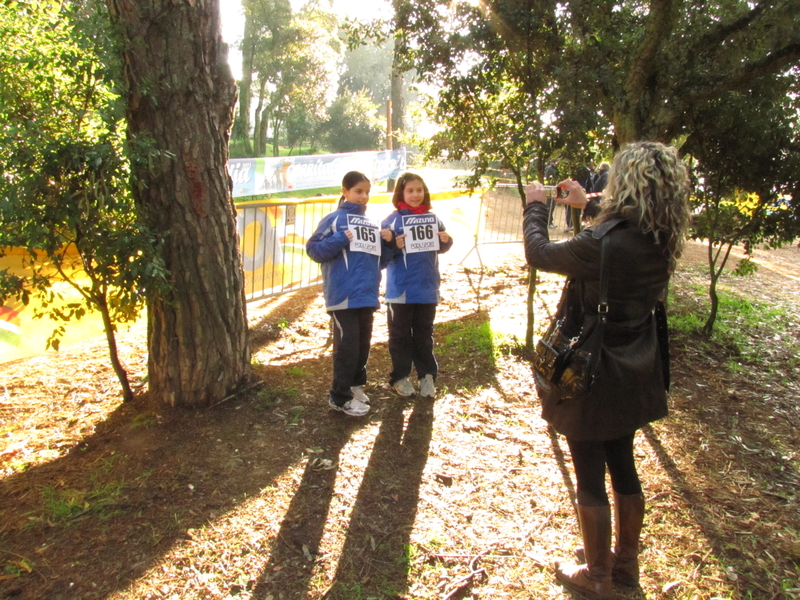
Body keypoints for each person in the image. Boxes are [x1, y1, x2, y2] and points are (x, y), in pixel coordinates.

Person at [523, 142, 691, 599]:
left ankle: (597, 574)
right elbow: (615, 230)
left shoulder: (603, 242)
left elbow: (539, 253)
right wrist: (587, 203)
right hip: (635, 365)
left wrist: (536, 208)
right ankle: (626, 570)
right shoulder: (661, 233)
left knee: (590, 469)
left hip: (592, 368)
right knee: (623, 462)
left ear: (628, 183)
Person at [306, 171, 393, 417]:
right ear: (345, 192)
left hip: (367, 294)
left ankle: (354, 385)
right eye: (358, 191)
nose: (363, 196)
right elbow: (314, 251)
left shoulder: (373, 223)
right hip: (342, 295)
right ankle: (339, 396)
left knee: (362, 345)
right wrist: (339, 238)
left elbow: (379, 263)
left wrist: (388, 246)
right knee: (347, 346)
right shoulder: (334, 219)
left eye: (367, 192)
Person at [381, 172, 453, 398]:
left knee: (424, 334)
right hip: (400, 291)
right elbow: (382, 255)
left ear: (425, 192)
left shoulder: (434, 219)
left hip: (427, 289)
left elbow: (441, 246)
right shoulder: (391, 221)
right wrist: (393, 244)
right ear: (401, 193)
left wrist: (446, 240)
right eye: (410, 191)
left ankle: (427, 376)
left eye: (419, 190)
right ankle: (400, 378)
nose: (415, 195)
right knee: (400, 336)